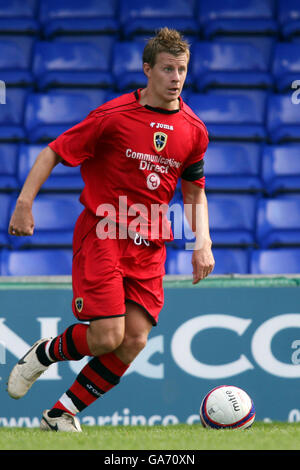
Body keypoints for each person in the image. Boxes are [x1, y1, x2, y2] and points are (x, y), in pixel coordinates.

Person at [7, 27, 215, 432]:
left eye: (183, 70)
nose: (176, 78)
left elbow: (194, 192)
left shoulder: (194, 130)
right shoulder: (112, 117)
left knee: (134, 339)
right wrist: (24, 203)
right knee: (106, 337)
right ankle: (45, 353)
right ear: (147, 70)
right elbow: (53, 151)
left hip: (151, 243)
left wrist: (201, 242)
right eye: (168, 69)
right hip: (104, 231)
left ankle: (61, 414)